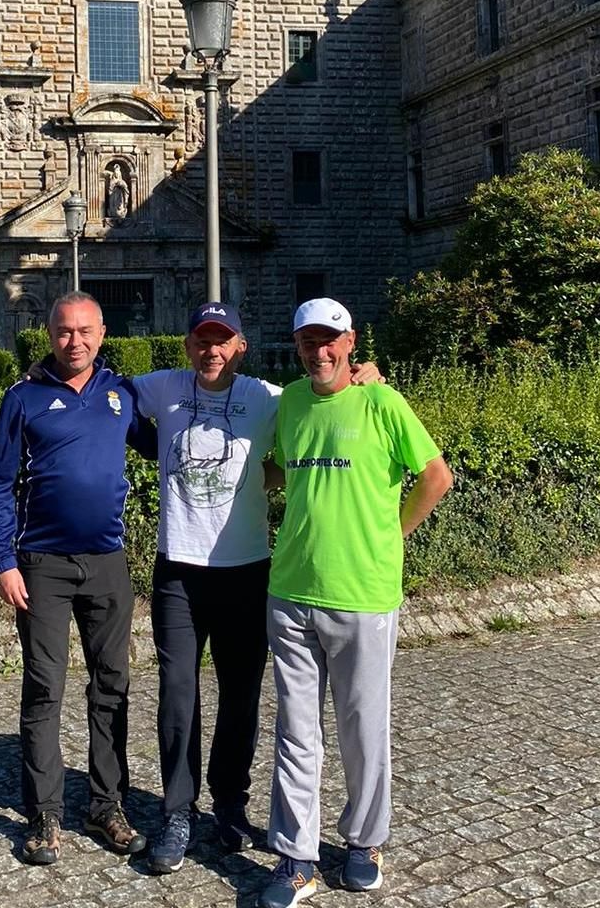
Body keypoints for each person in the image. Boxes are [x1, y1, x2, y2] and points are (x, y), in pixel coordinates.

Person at [130, 302, 383, 875]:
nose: (211, 350)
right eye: (201, 339)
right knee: (177, 693)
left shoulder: (269, 397)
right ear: (188, 344)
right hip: (179, 570)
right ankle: (176, 811)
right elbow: (106, 393)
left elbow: (322, 406)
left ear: (240, 345)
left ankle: (229, 805)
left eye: (222, 340)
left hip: (247, 569)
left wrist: (370, 375)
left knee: (241, 695)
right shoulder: (161, 387)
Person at [258, 298, 453, 908]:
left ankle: (364, 843)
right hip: (290, 591)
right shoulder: (289, 401)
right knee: (295, 732)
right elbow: (287, 472)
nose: (319, 352)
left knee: (363, 728)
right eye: (308, 342)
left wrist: (392, 535)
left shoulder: (382, 401)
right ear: (296, 345)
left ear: (350, 343)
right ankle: (297, 858)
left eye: (330, 342)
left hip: (363, 595)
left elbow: (436, 477)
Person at [0, 291, 154, 866]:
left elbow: (177, 435)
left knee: (112, 688)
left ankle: (106, 806)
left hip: (107, 563)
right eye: (63, 331)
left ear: (102, 333)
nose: (74, 341)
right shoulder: (23, 398)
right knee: (43, 690)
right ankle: (44, 815)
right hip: (42, 567)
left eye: (84, 331)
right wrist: (3, 561)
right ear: (48, 334)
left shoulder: (121, 395)